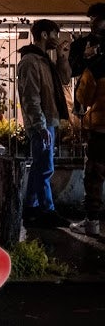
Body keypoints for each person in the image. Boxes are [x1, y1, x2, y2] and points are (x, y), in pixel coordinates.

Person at [17, 19, 70, 229]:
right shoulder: (31, 61)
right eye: (55, 34)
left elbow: (65, 80)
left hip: (47, 119)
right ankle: (46, 211)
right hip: (42, 122)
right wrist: (39, 125)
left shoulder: (45, 60)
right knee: (45, 167)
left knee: (40, 165)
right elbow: (30, 96)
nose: (57, 39)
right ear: (45, 35)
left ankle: (30, 208)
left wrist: (63, 57)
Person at [75, 56, 105, 235]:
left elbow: (83, 98)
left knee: (95, 176)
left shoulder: (97, 66)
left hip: (101, 132)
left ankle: (92, 223)